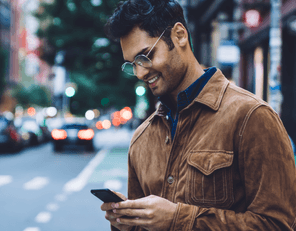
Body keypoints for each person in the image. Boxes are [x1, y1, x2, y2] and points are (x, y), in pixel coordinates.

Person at [100, 0, 296, 230]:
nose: (141, 72)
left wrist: (177, 219)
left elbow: (279, 224)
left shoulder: (251, 117)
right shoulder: (142, 138)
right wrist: (127, 222)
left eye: (145, 56)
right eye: (133, 64)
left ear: (179, 35)